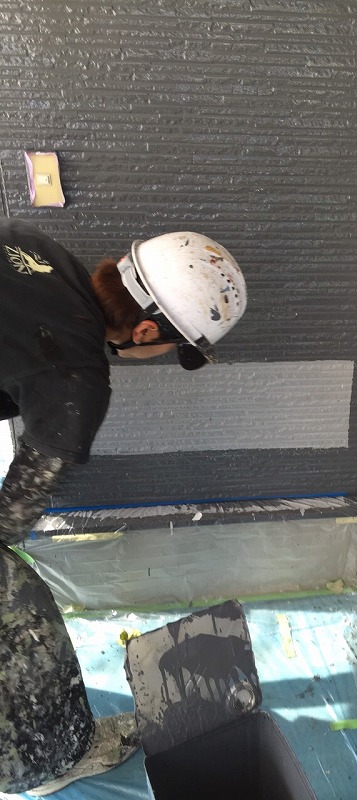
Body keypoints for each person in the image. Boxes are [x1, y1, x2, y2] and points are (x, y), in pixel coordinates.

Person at [0, 219, 247, 795]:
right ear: (144, 330)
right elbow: (11, 514)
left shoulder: (32, 247)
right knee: (21, 618)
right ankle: (48, 759)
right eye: (172, 348)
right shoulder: (77, 377)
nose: (162, 355)